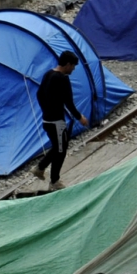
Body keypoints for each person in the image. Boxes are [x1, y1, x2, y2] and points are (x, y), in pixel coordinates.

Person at [37, 51, 89, 187]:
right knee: (61, 150)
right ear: (67, 64)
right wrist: (80, 117)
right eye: (73, 66)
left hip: (46, 120)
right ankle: (54, 181)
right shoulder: (62, 79)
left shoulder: (48, 74)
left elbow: (39, 95)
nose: (73, 69)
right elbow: (69, 102)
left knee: (58, 146)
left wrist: (46, 110)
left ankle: (40, 168)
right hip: (57, 122)